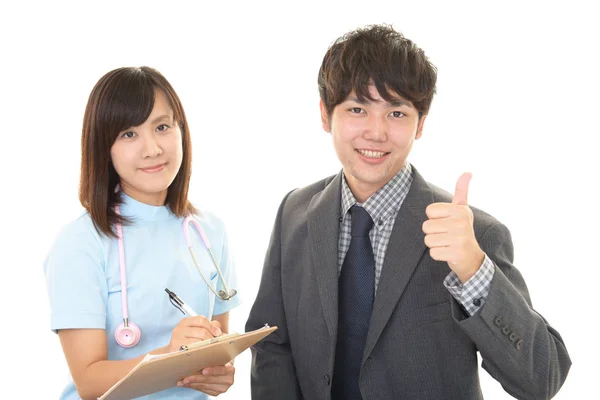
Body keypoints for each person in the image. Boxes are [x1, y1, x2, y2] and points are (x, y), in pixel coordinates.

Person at [245, 24, 571, 400]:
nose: (376, 132)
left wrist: (474, 270)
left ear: (421, 124)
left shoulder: (471, 232)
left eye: (397, 113)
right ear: (324, 114)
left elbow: (542, 380)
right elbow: (271, 343)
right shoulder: (294, 212)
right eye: (357, 109)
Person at [44, 66, 240, 400]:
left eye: (162, 127)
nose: (152, 149)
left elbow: (216, 348)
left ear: (181, 131)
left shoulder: (210, 231)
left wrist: (219, 375)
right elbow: (90, 383)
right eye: (128, 134)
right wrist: (172, 356)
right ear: (104, 147)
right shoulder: (80, 243)